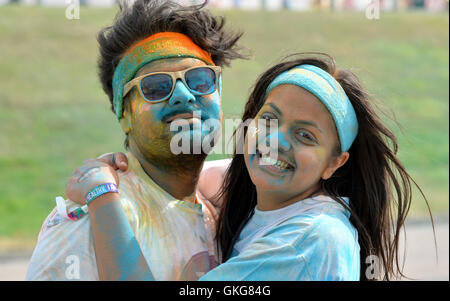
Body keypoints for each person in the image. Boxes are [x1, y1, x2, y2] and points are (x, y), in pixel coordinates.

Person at [65, 53, 432, 280]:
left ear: (334, 164)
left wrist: (101, 193)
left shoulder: (310, 241)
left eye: (306, 136)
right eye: (269, 120)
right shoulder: (279, 198)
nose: (276, 141)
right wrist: (131, 172)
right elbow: (206, 178)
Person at [26, 0, 246, 281]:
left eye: (200, 80)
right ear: (124, 114)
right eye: (156, 87)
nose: (183, 94)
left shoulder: (219, 215)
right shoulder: (91, 220)